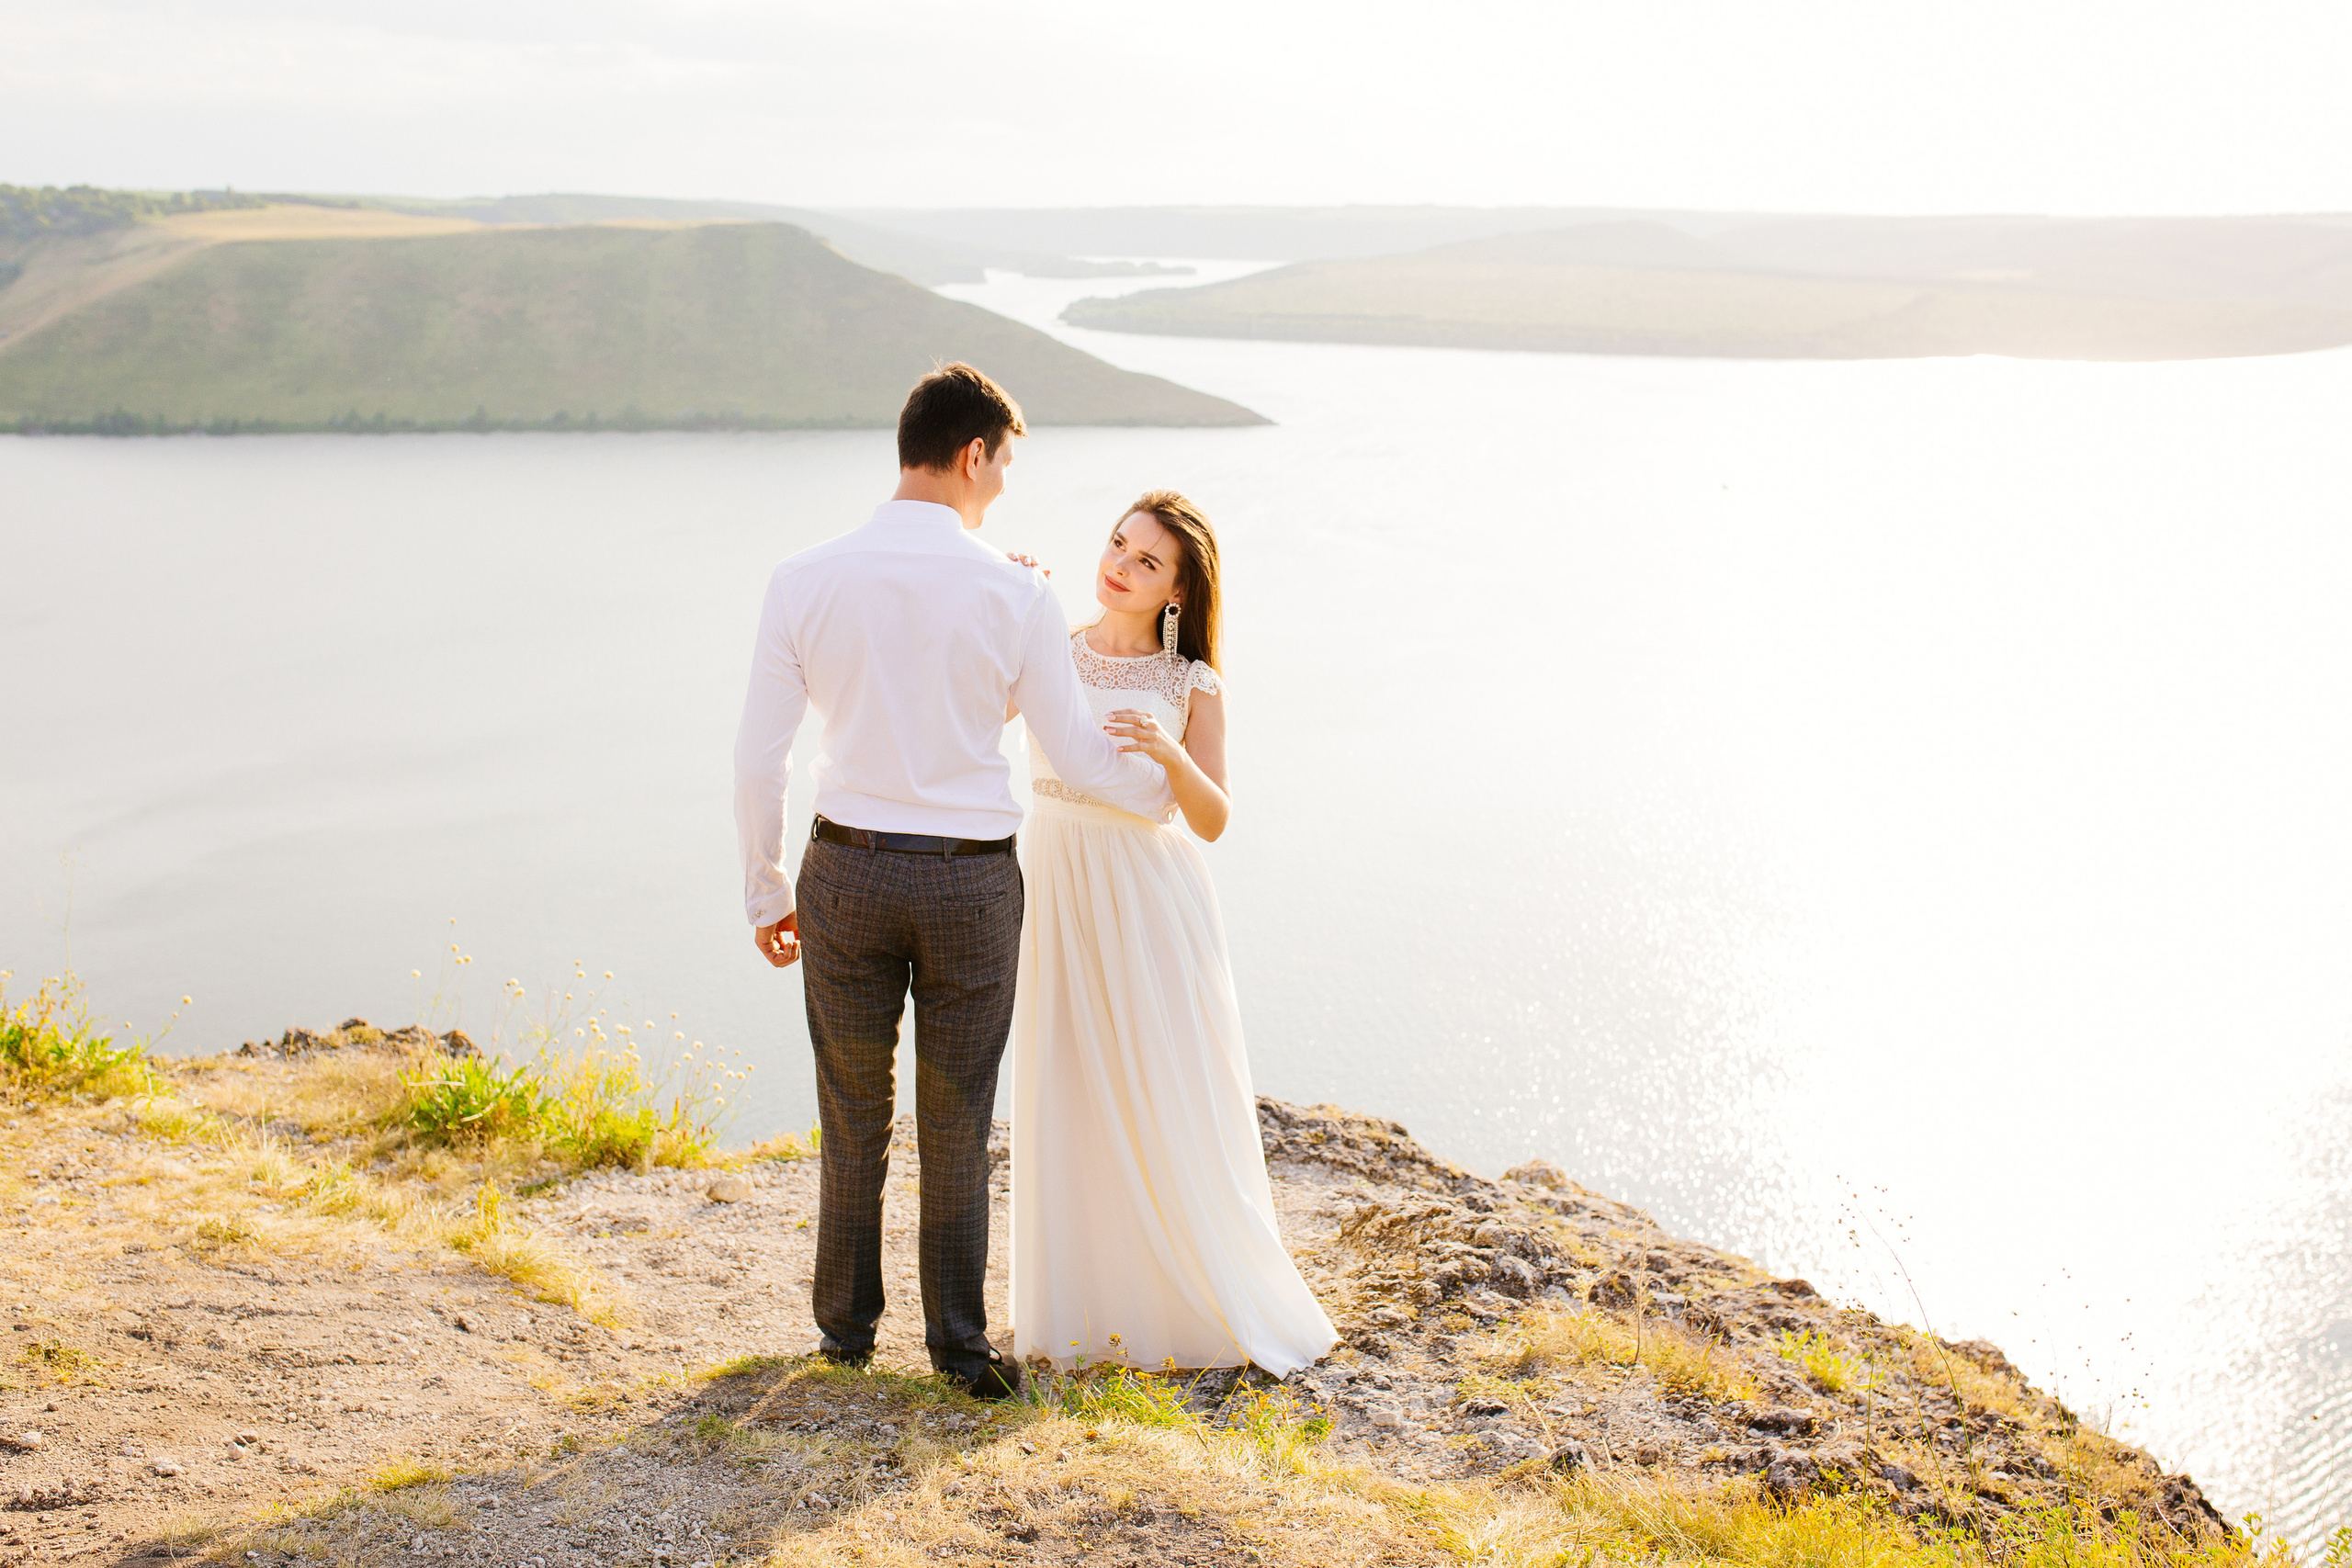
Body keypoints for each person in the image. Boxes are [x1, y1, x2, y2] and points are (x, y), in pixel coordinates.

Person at [732, 363, 1173, 1400]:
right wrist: (1162, 792)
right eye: (1005, 463)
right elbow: (1073, 751)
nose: (1005, 486)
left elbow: (760, 759)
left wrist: (765, 889)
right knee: (958, 1122)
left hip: (842, 870)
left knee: (851, 1111)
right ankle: (959, 1351)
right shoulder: (1017, 593)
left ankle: (843, 1337)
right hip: (972, 887)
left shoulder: (802, 579)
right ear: (973, 453)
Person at [1010, 491, 1336, 1375]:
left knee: (1165, 1085)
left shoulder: (1191, 682)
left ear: (1179, 591)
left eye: (1148, 561)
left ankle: (1184, 1300)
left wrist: (1170, 752)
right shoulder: (1050, 651)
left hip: (1150, 897)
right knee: (1068, 1082)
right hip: (1056, 883)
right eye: (1119, 543)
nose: (1120, 563)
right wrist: (1001, 599)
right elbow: (962, 707)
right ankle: (1087, 1309)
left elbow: (1215, 818)